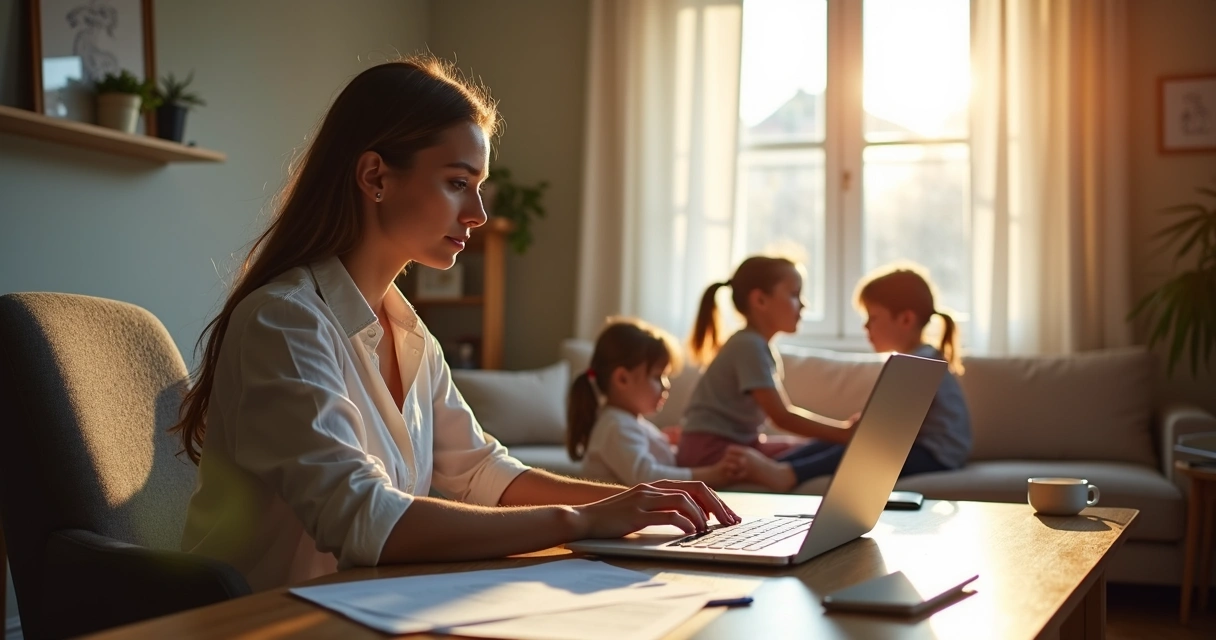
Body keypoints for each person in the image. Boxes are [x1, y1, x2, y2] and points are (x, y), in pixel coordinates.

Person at [171, 55, 739, 591]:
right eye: (457, 182)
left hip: (368, 609)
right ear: (375, 176)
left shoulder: (408, 331)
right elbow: (366, 521)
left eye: (479, 186)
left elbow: (483, 473)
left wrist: (633, 502)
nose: (479, 214)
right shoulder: (284, 323)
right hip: (265, 620)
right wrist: (579, 520)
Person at [733, 265, 973, 492]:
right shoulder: (913, 360)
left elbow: (895, 429)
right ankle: (777, 465)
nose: (866, 326)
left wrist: (870, 429)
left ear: (906, 320)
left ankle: (788, 473)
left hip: (934, 455)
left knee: (858, 449)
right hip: (920, 448)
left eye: (873, 317)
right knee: (840, 440)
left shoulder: (920, 364)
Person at [675, 256, 854, 469]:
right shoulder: (748, 346)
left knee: (814, 448)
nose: (803, 304)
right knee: (826, 450)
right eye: (794, 294)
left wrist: (841, 434)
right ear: (760, 300)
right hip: (711, 451)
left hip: (731, 444)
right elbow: (782, 417)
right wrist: (843, 433)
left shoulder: (752, 344)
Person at [567, 319, 749, 487]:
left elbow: (643, 449)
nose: (666, 385)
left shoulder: (626, 422)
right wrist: (709, 474)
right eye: (657, 377)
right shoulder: (615, 426)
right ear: (622, 379)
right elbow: (645, 476)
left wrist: (664, 441)